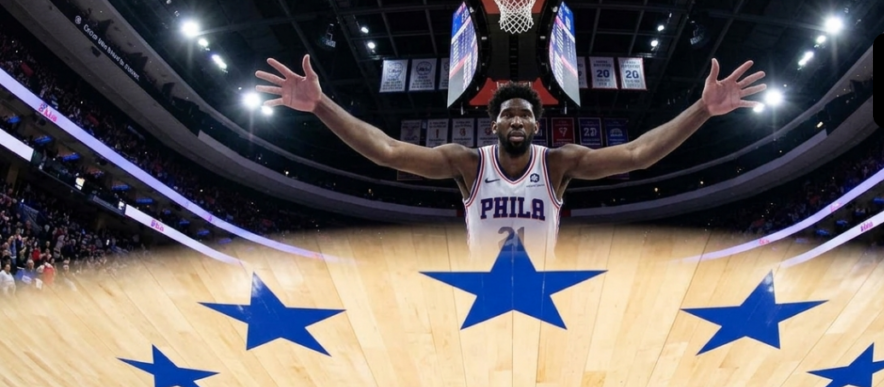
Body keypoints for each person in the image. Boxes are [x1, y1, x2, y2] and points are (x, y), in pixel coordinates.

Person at [256, 55, 765, 254]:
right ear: (493, 123)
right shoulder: (467, 163)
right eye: (509, 115)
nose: (518, 120)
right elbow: (387, 151)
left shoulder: (559, 163)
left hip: (545, 291)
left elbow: (638, 155)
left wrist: (701, 109)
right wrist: (320, 105)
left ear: (536, 126)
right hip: (483, 290)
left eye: (526, 115)